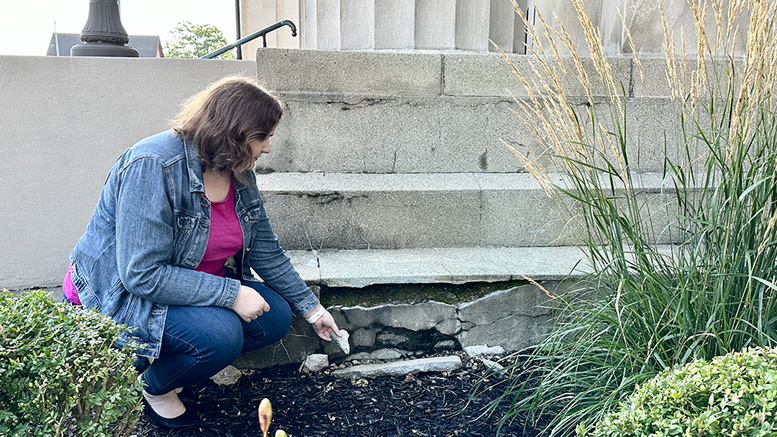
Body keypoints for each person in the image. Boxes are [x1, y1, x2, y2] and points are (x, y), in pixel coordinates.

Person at [64, 76, 342, 429]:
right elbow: (141, 274)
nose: (268, 148)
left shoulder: (238, 170)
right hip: (123, 292)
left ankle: (176, 362)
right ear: (236, 133)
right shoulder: (152, 164)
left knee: (275, 317)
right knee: (221, 335)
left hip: (190, 279)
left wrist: (313, 308)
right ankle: (153, 387)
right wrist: (232, 293)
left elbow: (265, 249)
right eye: (264, 137)